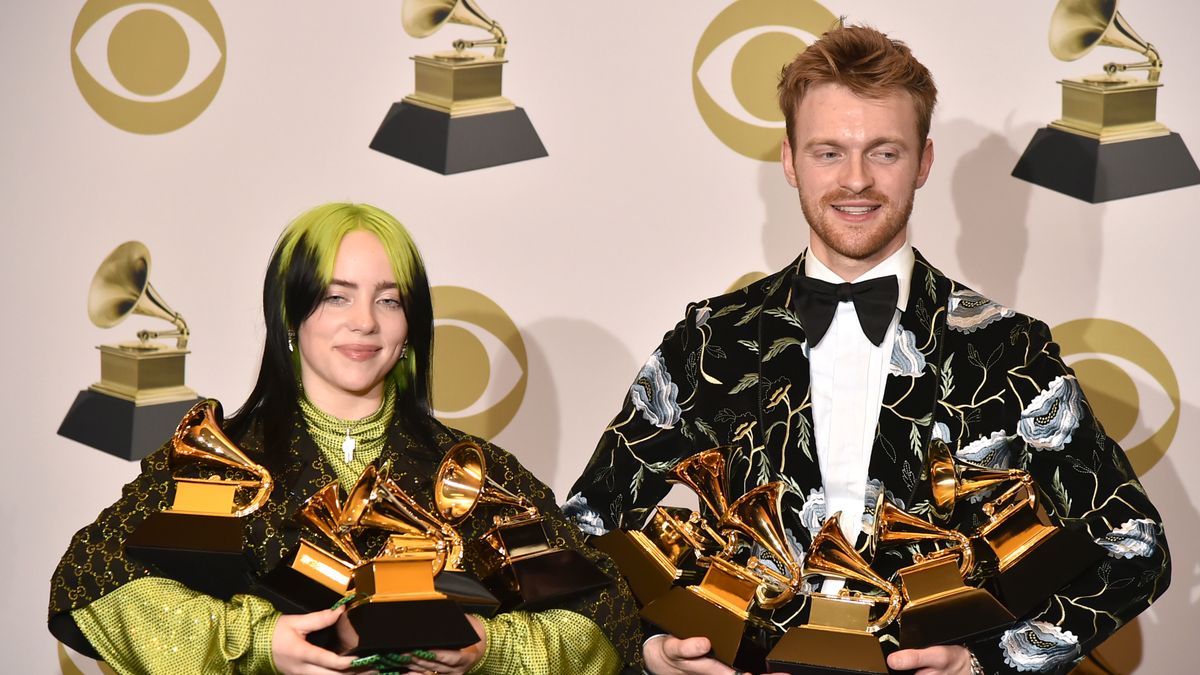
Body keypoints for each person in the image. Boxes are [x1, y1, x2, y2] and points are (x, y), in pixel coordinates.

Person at [564, 25, 1170, 675]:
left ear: (923, 161)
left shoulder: (1007, 348)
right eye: (829, 152)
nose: (856, 180)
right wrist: (649, 650)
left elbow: (1135, 545)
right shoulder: (710, 341)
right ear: (790, 161)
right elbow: (582, 533)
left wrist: (986, 663)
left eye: (884, 152)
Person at [49, 203, 641, 674]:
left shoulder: (477, 473)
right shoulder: (215, 460)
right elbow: (93, 583)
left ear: (411, 327)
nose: (365, 321)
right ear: (290, 314)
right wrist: (257, 642)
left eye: (389, 300)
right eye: (337, 296)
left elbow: (602, 615)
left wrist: (490, 648)